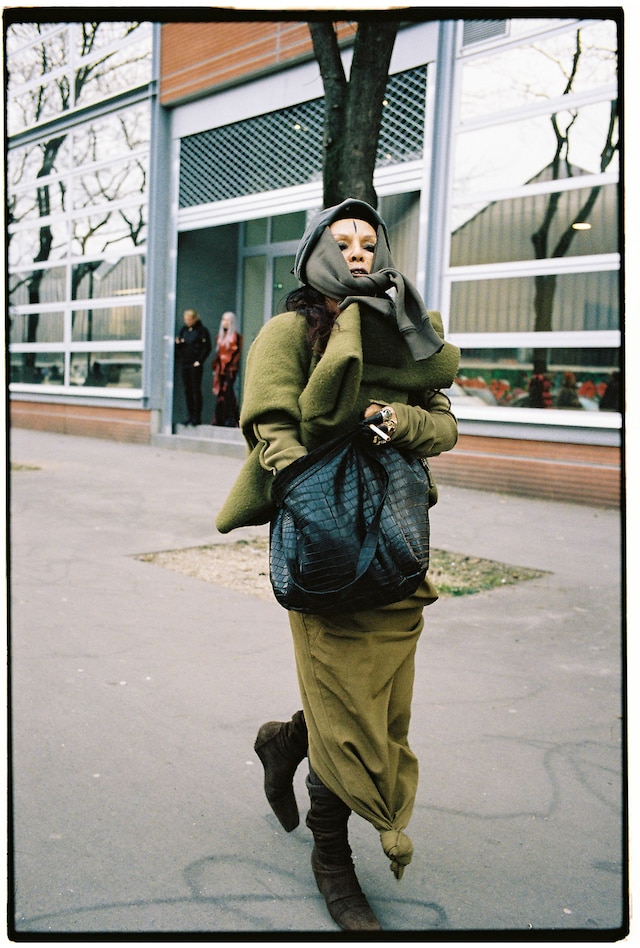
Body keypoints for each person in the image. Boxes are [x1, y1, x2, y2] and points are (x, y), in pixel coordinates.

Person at [216, 198, 460, 931]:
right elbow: (270, 426)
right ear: (316, 252)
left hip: (395, 540)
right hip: (325, 546)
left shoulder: (407, 327)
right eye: (343, 241)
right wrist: (311, 502)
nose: (359, 251)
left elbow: (445, 423)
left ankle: (287, 740)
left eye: (369, 241)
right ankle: (333, 860)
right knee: (346, 701)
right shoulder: (289, 331)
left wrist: (399, 421)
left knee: (376, 702)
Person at [175, 308, 212, 425]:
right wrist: (179, 345)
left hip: (195, 363)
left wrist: (199, 361)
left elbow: (207, 347)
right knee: (188, 390)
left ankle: (197, 417)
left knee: (196, 389)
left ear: (195, 319)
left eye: (189, 320)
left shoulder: (202, 331)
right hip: (185, 362)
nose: (187, 322)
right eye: (186, 320)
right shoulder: (184, 330)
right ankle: (190, 416)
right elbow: (180, 345)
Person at [211, 311, 242, 427]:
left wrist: (231, 366)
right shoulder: (220, 337)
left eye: (227, 320)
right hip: (221, 368)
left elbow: (236, 354)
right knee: (220, 392)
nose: (225, 322)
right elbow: (218, 354)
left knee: (228, 392)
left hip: (230, 368)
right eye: (223, 320)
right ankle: (219, 418)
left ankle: (231, 418)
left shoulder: (236, 337)